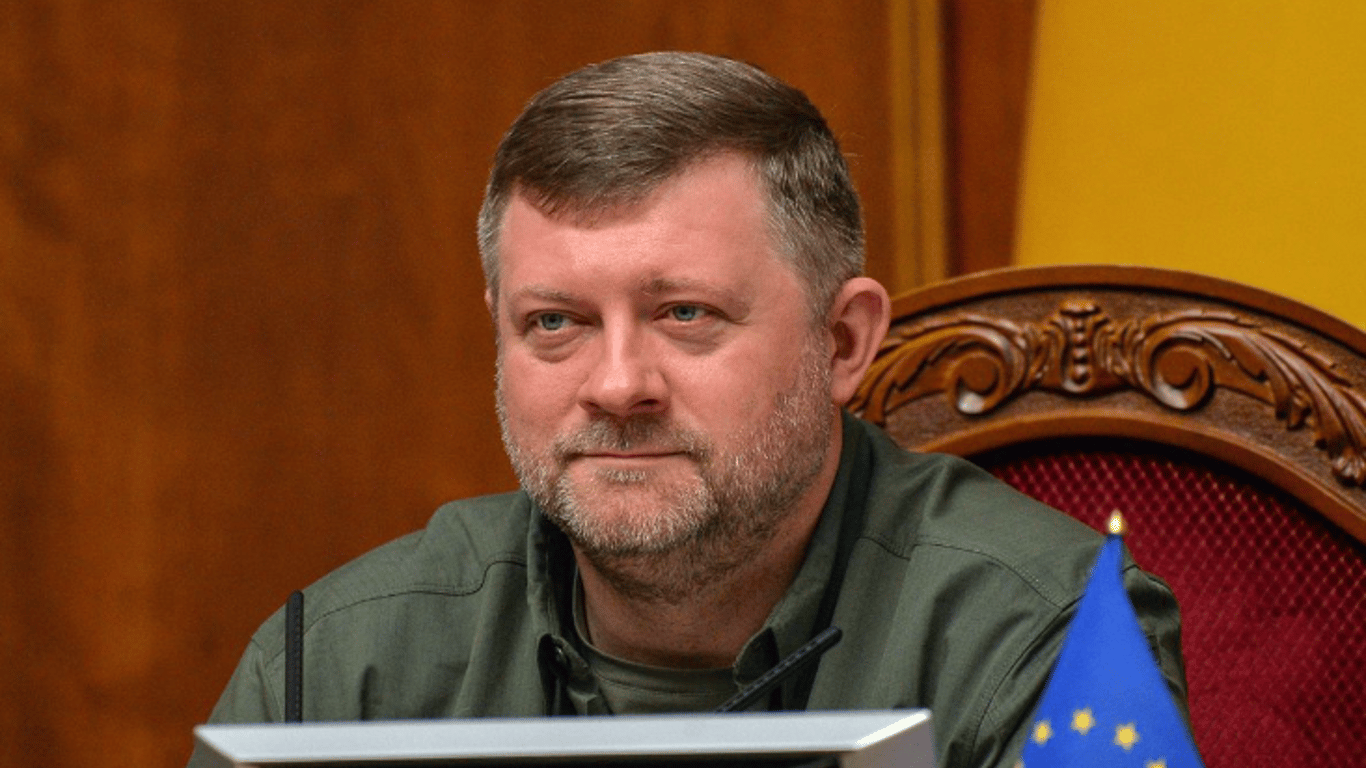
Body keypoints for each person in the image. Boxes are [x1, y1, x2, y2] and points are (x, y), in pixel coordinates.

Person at [189, 52, 1188, 768]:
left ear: (842, 342)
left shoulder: (1050, 640)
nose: (618, 384)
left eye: (685, 315)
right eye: (555, 323)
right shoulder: (338, 666)